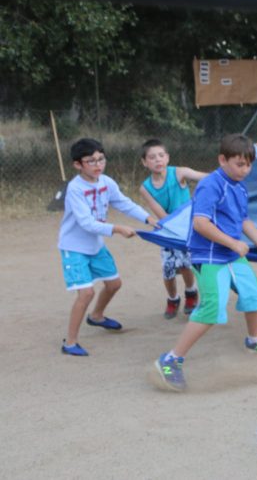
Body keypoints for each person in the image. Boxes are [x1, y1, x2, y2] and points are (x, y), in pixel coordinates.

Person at [153, 134, 257, 392]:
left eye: (249, 165)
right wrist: (234, 243)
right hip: (209, 256)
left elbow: (243, 219)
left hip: (232, 255)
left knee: (254, 295)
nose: (245, 170)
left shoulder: (239, 185)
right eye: (239, 164)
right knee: (212, 308)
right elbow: (200, 223)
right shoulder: (211, 185)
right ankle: (170, 360)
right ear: (222, 160)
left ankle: (254, 340)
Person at [58, 138, 158, 356]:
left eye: (101, 159)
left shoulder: (106, 182)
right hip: (74, 247)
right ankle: (70, 342)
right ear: (78, 165)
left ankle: (96, 317)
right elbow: (86, 222)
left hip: (96, 245)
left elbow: (124, 203)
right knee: (86, 293)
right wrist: (117, 229)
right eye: (91, 161)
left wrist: (149, 219)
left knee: (114, 284)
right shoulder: (75, 189)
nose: (98, 164)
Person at [139, 138, 208, 320]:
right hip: (169, 230)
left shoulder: (180, 173)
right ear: (145, 162)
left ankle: (191, 294)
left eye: (161, 155)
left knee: (186, 265)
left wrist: (229, 173)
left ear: (168, 158)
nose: (157, 160)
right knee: (168, 270)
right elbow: (160, 213)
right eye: (152, 157)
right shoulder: (145, 188)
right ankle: (172, 299)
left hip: (188, 229)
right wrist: (172, 229)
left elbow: (207, 178)